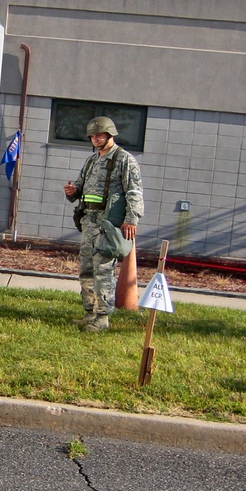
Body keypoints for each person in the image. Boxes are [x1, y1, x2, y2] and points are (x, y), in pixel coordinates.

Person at [62, 116, 144, 332]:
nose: (96, 138)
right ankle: (90, 312)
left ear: (110, 135)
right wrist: (73, 192)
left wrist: (131, 219)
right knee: (86, 269)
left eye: (100, 135)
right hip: (89, 221)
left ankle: (102, 317)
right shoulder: (91, 160)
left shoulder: (124, 160)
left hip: (108, 224)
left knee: (103, 270)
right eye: (93, 135)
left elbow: (134, 191)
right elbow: (80, 186)